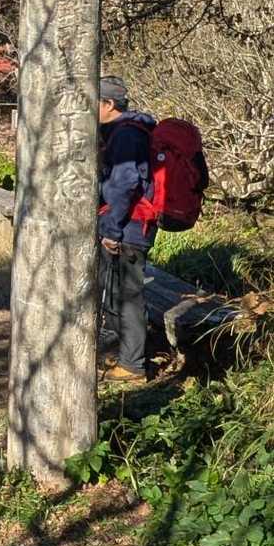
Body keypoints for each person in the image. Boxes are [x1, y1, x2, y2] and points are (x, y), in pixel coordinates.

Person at [98, 74, 156, 383]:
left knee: (129, 294)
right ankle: (123, 353)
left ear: (109, 104)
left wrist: (112, 230)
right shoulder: (124, 132)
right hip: (128, 223)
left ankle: (133, 365)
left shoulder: (127, 136)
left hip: (130, 226)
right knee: (116, 289)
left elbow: (123, 185)